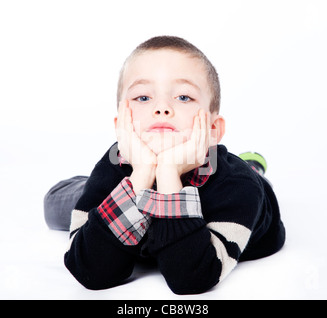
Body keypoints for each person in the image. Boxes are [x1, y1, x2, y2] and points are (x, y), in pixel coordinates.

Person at [44, 36, 285, 295]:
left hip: (239, 185)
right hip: (130, 172)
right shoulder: (113, 165)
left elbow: (191, 277)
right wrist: (142, 174)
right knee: (56, 205)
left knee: (254, 178)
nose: (162, 108)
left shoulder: (237, 187)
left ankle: (253, 166)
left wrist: (168, 172)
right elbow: (90, 271)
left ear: (213, 129)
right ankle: (90, 189)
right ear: (120, 125)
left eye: (183, 97)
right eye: (143, 97)